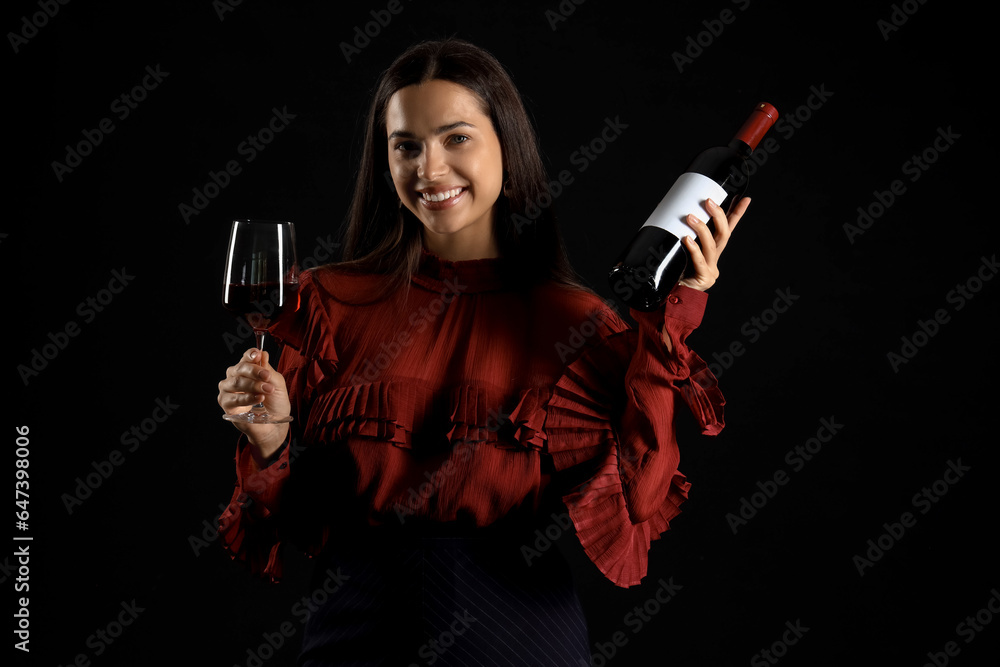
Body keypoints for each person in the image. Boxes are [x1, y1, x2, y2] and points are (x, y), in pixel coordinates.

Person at [216, 38, 746, 666]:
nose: (429, 170)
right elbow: (298, 524)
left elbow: (642, 495)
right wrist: (272, 440)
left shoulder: (580, 325)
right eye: (406, 146)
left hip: (517, 635)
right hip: (357, 634)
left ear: (507, 146)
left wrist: (672, 314)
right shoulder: (325, 305)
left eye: (457, 138)